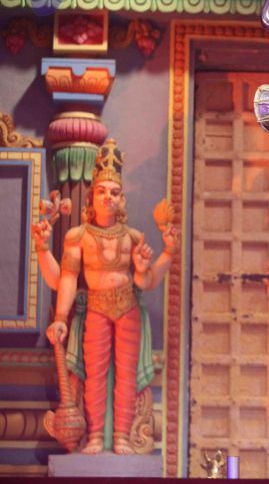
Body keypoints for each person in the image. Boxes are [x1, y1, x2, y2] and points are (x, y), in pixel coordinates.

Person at [36, 139, 177, 454]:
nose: (108, 197)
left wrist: (167, 252)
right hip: (96, 308)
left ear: (122, 198)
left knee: (126, 374)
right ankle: (96, 436)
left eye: (114, 192)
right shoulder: (78, 237)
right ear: (92, 197)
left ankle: (122, 436)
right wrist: (61, 318)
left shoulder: (133, 237)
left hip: (127, 307)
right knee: (95, 373)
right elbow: (67, 279)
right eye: (101, 191)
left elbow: (146, 281)